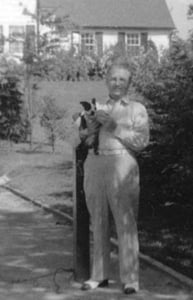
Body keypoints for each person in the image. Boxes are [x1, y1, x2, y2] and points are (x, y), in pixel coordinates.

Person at [79, 58, 150, 295]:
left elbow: (141, 142)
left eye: (122, 79)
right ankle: (99, 275)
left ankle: (130, 279)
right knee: (97, 220)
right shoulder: (95, 107)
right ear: (106, 81)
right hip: (95, 163)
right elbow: (79, 141)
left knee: (125, 222)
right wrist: (87, 131)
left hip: (122, 164)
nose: (117, 83)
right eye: (113, 78)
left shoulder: (136, 109)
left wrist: (113, 126)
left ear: (129, 83)